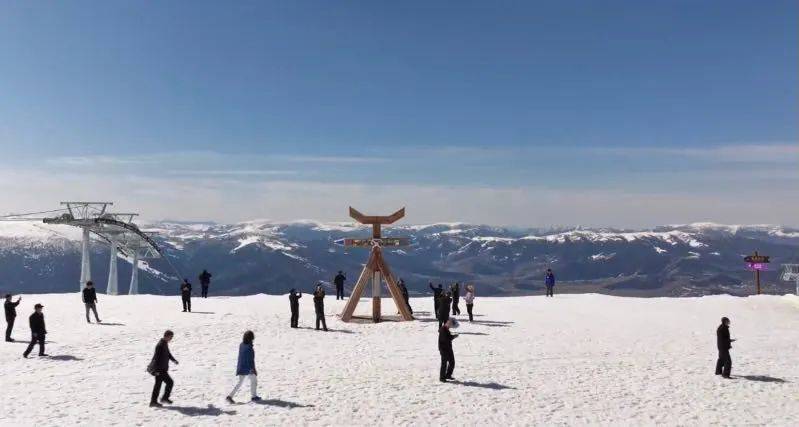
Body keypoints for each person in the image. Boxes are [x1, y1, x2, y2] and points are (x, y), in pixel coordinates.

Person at [226, 330, 261, 403]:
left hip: (241, 366)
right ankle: (254, 396)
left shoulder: (241, 344)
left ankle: (230, 396)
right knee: (254, 380)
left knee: (240, 382)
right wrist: (253, 369)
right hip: (248, 368)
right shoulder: (249, 348)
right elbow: (250, 360)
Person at [147, 330, 179, 407]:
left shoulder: (164, 343)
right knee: (170, 382)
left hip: (162, 369)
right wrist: (154, 371)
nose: (171, 339)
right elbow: (156, 359)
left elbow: (168, 354)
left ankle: (153, 402)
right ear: (166, 336)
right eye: (170, 337)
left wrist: (173, 360)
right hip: (159, 370)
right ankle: (164, 398)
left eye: (172, 337)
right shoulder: (160, 345)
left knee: (158, 385)